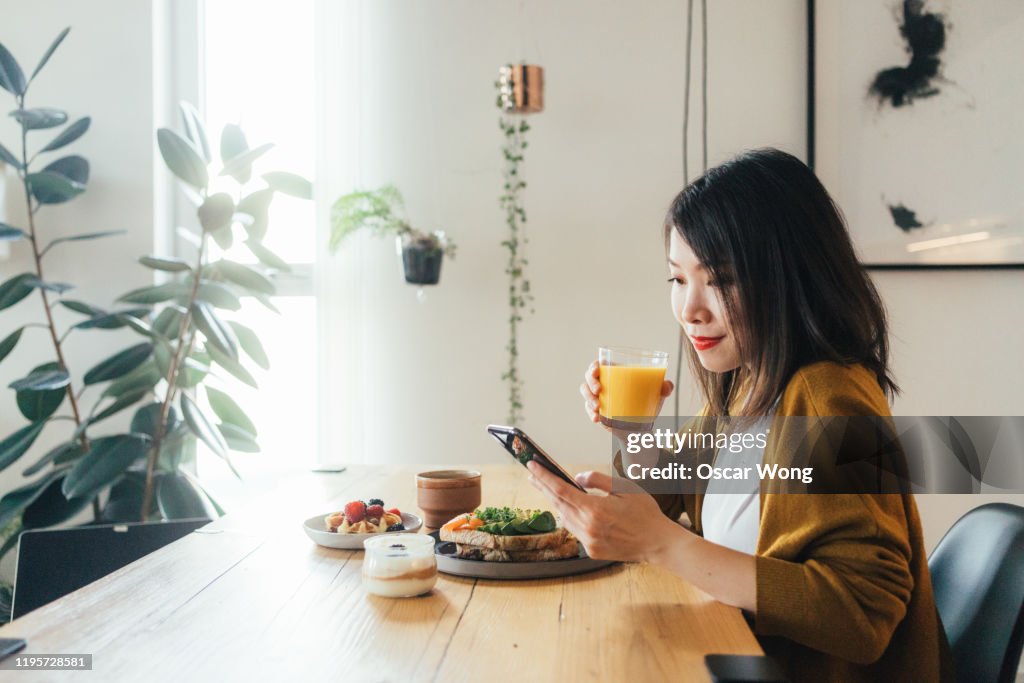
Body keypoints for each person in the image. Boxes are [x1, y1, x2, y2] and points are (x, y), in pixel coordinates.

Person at [527, 148, 955, 682]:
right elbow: (664, 496)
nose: (691, 310)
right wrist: (634, 429)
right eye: (678, 280)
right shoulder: (746, 382)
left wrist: (666, 545)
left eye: (721, 280)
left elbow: (863, 615)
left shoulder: (826, 399)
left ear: (790, 275)